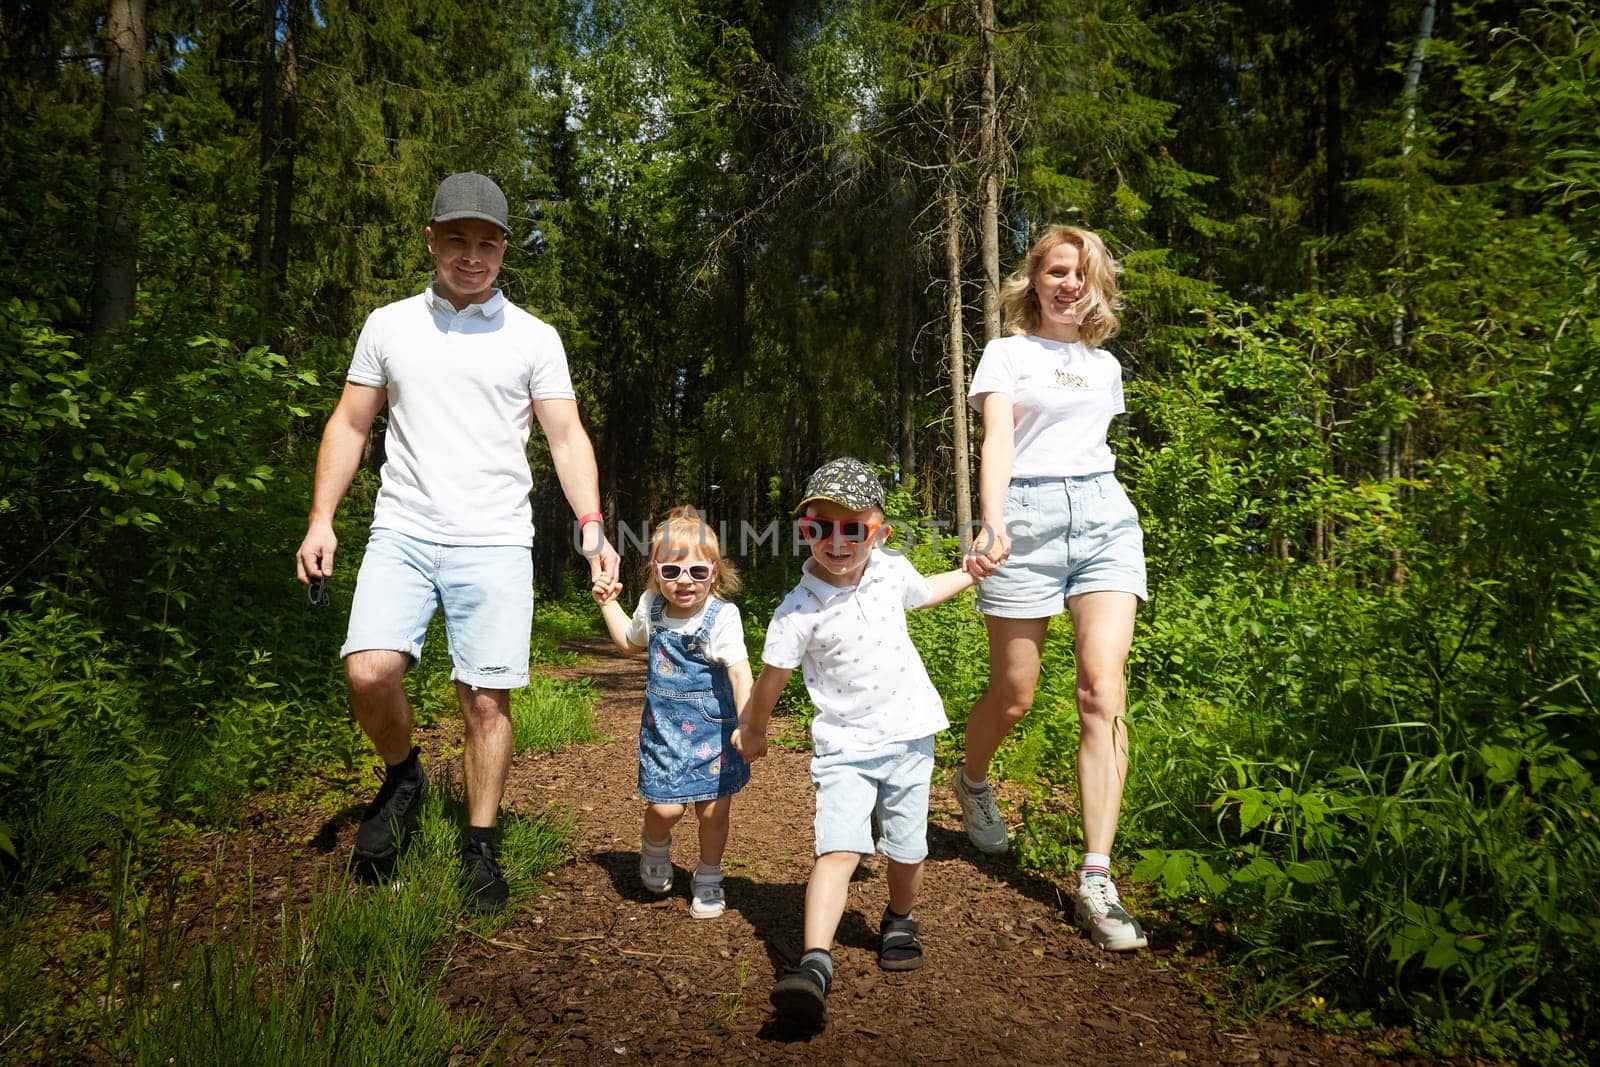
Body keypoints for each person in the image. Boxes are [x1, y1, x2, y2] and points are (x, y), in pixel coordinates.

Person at [294, 171, 619, 914]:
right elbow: (349, 424)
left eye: (488, 243)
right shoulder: (389, 324)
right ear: (431, 240)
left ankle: (480, 843)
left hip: (496, 539)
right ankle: (404, 773)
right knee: (369, 670)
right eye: (458, 241)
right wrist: (321, 517)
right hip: (402, 528)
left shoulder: (534, 337)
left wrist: (592, 529)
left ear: (504, 249)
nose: (473, 256)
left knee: (485, 699)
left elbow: (566, 438)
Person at [955, 225, 1149, 951]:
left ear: (1095, 286)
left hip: (1103, 517)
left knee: (1102, 688)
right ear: (1034, 280)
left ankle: (1097, 876)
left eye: (1084, 274)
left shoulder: (1104, 365)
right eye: (1058, 270)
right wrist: (992, 522)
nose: (1071, 283)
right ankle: (972, 780)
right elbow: (998, 439)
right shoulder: (1006, 352)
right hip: (1026, 521)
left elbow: (1092, 447)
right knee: (1015, 693)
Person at [735, 458, 979, 1028]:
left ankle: (899, 917)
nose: (837, 542)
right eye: (822, 528)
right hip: (843, 745)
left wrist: (972, 573)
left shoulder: (891, 571)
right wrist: (754, 727)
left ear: (880, 533)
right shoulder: (796, 610)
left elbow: (926, 592)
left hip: (910, 734)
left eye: (854, 529)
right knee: (838, 850)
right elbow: (772, 679)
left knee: (906, 849)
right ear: (806, 533)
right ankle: (814, 962)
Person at [591, 507, 752, 919]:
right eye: (673, 571)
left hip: (713, 736)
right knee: (666, 808)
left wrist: (751, 722)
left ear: (714, 572)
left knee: (714, 812)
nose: (685, 582)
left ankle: (710, 876)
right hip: (664, 732)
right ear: (655, 570)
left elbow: (739, 671)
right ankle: (655, 842)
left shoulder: (722, 616)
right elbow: (631, 643)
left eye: (697, 572)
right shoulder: (652, 607)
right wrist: (609, 603)